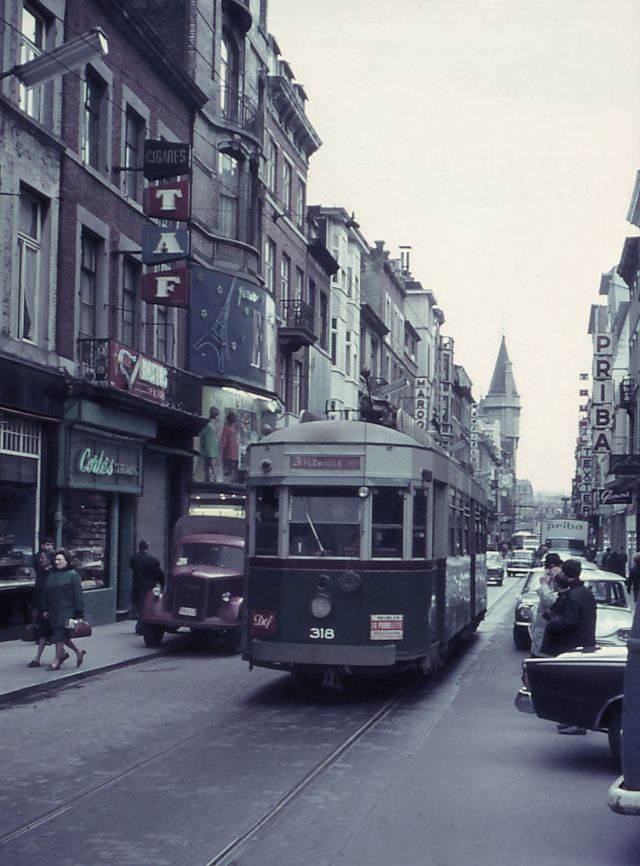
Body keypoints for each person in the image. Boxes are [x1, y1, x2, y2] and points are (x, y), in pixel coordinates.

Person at [540, 558, 596, 735]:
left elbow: (568, 622)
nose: (560, 575)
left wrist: (551, 623)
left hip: (571, 646)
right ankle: (572, 720)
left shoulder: (573, 596)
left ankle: (577, 723)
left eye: (562, 572)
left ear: (568, 575)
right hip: (583, 643)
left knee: (572, 687)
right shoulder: (583, 592)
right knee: (576, 686)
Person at [42, 549, 85, 671]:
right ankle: (78, 651)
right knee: (62, 636)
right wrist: (45, 608)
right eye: (55, 560)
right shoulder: (52, 575)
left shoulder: (72, 575)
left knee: (59, 634)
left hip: (67, 610)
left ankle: (56, 660)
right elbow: (46, 592)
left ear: (67, 561)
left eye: (60, 559)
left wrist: (79, 612)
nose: (56, 562)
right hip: (53, 610)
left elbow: (78, 594)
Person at [27, 547, 60, 668]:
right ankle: (38, 658)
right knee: (44, 633)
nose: (40, 560)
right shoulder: (40, 571)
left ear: (50, 560)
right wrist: (35, 607)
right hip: (41, 606)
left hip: (51, 606)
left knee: (53, 633)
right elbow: (37, 590)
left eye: (43, 558)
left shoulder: (55, 573)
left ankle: (67, 653)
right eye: (40, 558)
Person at [528, 553, 562, 657]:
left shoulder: (560, 582)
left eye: (550, 568)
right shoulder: (549, 580)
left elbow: (551, 602)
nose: (547, 571)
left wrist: (544, 585)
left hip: (549, 630)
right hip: (541, 628)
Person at [130, 540, 164, 634]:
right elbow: (159, 574)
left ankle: (139, 625)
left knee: (139, 606)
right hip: (148, 586)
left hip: (137, 585)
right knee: (146, 606)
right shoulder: (153, 560)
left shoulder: (133, 558)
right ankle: (141, 627)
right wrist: (162, 584)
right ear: (147, 547)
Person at [199, 406, 221, 482]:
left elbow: (202, 434)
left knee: (208, 466)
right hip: (210, 448)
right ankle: (214, 479)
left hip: (208, 448)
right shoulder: (210, 425)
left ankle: (208, 479)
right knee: (211, 465)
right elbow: (202, 434)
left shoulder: (209, 424)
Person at [220, 411, 239, 482]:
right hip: (228, 450)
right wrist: (223, 445)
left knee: (232, 466)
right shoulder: (227, 428)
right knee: (228, 465)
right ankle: (228, 478)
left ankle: (231, 478)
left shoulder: (232, 428)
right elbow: (224, 438)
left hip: (233, 450)